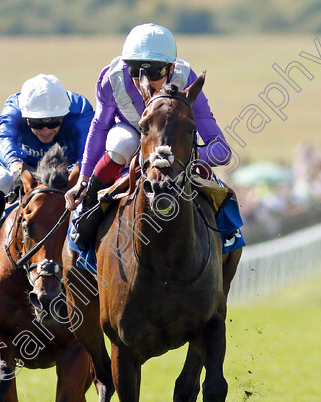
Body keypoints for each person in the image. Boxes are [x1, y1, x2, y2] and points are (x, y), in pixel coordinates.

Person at [65, 24, 237, 248]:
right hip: (131, 138)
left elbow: (222, 152)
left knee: (225, 198)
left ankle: (228, 239)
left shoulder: (187, 80)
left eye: (155, 72)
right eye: (135, 70)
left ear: (171, 68)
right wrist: (84, 180)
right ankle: (87, 215)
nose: (142, 80)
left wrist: (184, 155)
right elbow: (99, 127)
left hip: (173, 145)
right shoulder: (112, 78)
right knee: (122, 143)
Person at [0, 74, 94, 276]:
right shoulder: (14, 107)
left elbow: (90, 150)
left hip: (67, 168)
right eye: (37, 124)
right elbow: (2, 137)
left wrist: (77, 175)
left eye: (53, 122)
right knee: (0, 181)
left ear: (64, 116)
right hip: (25, 165)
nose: (45, 130)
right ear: (25, 117)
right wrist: (17, 167)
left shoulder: (80, 110)